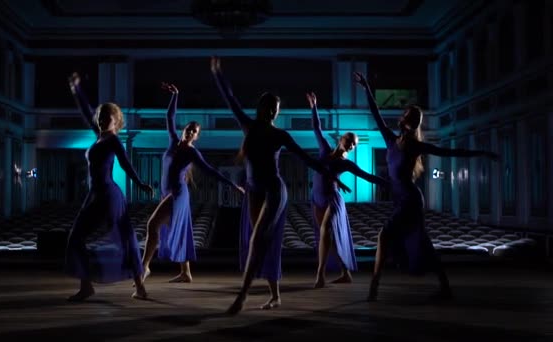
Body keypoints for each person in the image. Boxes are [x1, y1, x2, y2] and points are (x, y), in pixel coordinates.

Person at [211, 57, 351, 314]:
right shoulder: (248, 126)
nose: (273, 111)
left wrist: (332, 176)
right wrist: (217, 73)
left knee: (257, 240)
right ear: (263, 108)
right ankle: (275, 295)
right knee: (264, 242)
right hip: (254, 191)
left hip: (275, 191)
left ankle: (241, 296)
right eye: (271, 107)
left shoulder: (280, 135)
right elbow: (230, 99)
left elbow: (306, 159)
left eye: (276, 108)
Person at [353, 72, 499, 301]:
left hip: (410, 200)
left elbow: (449, 152)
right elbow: (376, 113)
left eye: (411, 117)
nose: (406, 119)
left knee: (384, 235)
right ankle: (445, 288)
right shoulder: (391, 140)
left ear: (410, 123)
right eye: (408, 115)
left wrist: (482, 152)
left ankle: (374, 287)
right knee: (423, 242)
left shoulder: (414, 146)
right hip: (401, 199)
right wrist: (367, 88)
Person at [140, 82, 244, 284]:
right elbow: (169, 117)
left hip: (177, 194)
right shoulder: (172, 141)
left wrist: (233, 186)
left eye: (194, 131)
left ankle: (144, 267)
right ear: (184, 129)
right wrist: (175, 95)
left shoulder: (192, 152)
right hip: (167, 193)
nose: (190, 132)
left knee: (152, 225)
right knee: (177, 231)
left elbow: (210, 171)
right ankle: (186, 273)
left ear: (196, 136)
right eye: (189, 128)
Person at [66, 72, 152, 301]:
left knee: (126, 238)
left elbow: (125, 163)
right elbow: (87, 112)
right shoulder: (99, 136)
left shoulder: (113, 139)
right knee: (75, 238)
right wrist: (77, 90)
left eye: (107, 117)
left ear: (116, 121)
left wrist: (140, 183)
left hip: (109, 195)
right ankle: (86, 286)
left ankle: (140, 286)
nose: (103, 119)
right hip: (94, 195)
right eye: (101, 116)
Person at [306, 92, 388, 288]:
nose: (351, 145)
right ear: (342, 139)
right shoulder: (325, 150)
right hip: (317, 197)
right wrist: (314, 107)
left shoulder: (346, 163)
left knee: (326, 230)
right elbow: (317, 128)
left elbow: (367, 176)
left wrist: (391, 183)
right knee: (327, 237)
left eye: (354, 144)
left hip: (332, 199)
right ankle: (346, 273)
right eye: (350, 141)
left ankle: (320, 275)